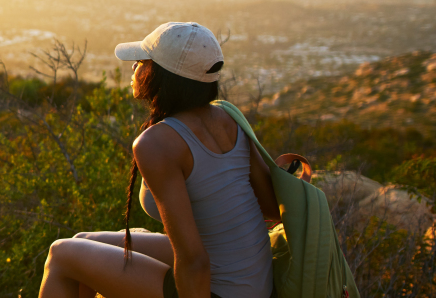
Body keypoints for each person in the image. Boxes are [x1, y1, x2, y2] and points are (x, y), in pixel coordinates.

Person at [38, 22, 281, 298]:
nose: (134, 67)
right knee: (83, 241)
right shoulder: (229, 118)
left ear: (162, 75)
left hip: (219, 289)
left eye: (142, 61)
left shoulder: (157, 143)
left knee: (60, 254)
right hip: (256, 280)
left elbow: (194, 261)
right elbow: (272, 207)